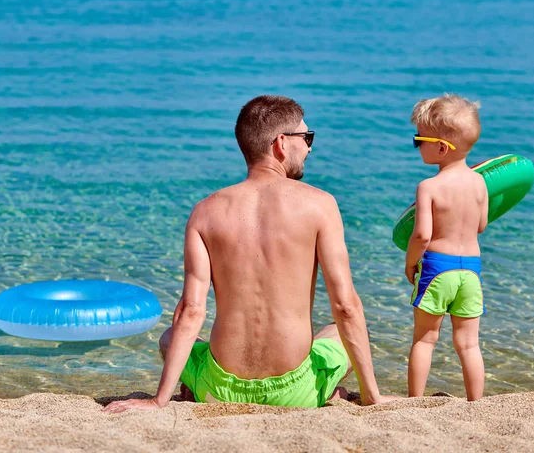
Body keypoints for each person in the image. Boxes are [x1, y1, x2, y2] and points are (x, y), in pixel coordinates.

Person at [105, 95, 393, 412]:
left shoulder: (204, 212)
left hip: (219, 388)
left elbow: (191, 310)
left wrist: (160, 401)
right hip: (293, 392)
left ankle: (190, 388)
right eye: (307, 137)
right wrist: (373, 397)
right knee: (342, 330)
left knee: (170, 336)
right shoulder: (320, 205)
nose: (310, 147)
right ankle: (327, 391)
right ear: (281, 143)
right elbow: (346, 306)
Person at [405, 94, 488, 401]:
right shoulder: (480, 183)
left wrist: (410, 263)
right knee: (468, 344)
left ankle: (414, 400)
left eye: (418, 140)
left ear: (441, 148)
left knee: (425, 340)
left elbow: (422, 236)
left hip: (439, 268)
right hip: (472, 272)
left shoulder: (429, 187)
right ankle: (475, 403)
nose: (416, 145)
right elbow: (481, 225)